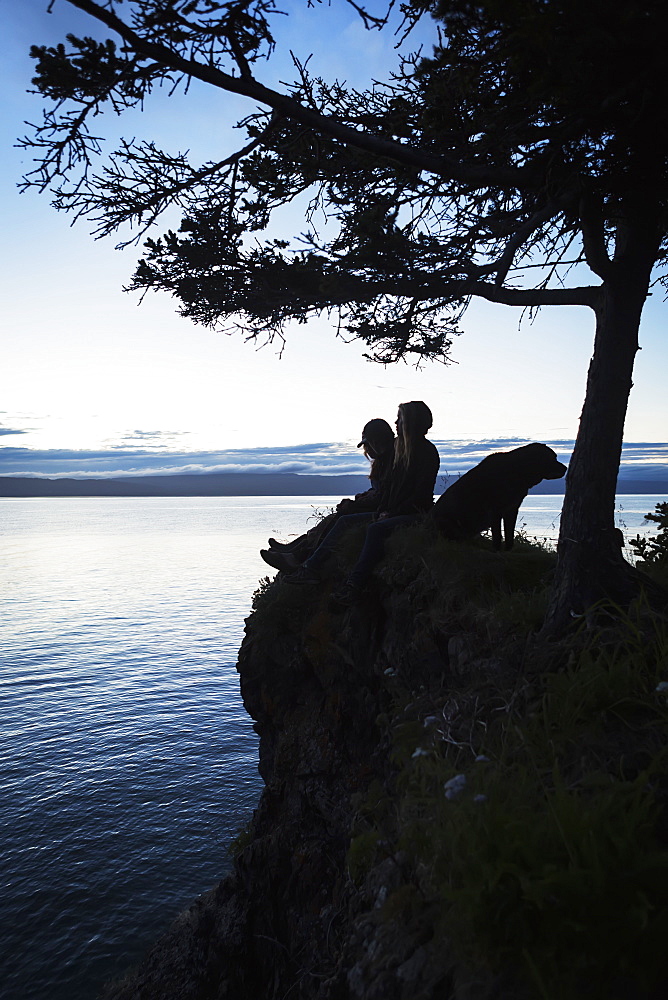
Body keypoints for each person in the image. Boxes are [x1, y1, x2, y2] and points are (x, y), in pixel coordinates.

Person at [285, 401, 440, 605]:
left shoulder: (425, 453)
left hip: (415, 514)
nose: (396, 422)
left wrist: (390, 513)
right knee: (345, 521)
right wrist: (384, 509)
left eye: (400, 418)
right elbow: (389, 491)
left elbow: (420, 495)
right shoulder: (402, 451)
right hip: (396, 512)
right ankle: (309, 568)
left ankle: (354, 585)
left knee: (376, 529)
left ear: (411, 422)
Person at [260, 418, 395, 572]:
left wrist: (356, 505)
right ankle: (297, 549)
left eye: (368, 444)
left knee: (343, 520)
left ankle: (306, 562)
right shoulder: (383, 462)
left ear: (377, 442)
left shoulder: (393, 461)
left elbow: (385, 496)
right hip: (379, 507)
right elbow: (379, 491)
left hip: (385, 511)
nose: (367, 449)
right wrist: (361, 497)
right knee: (334, 518)